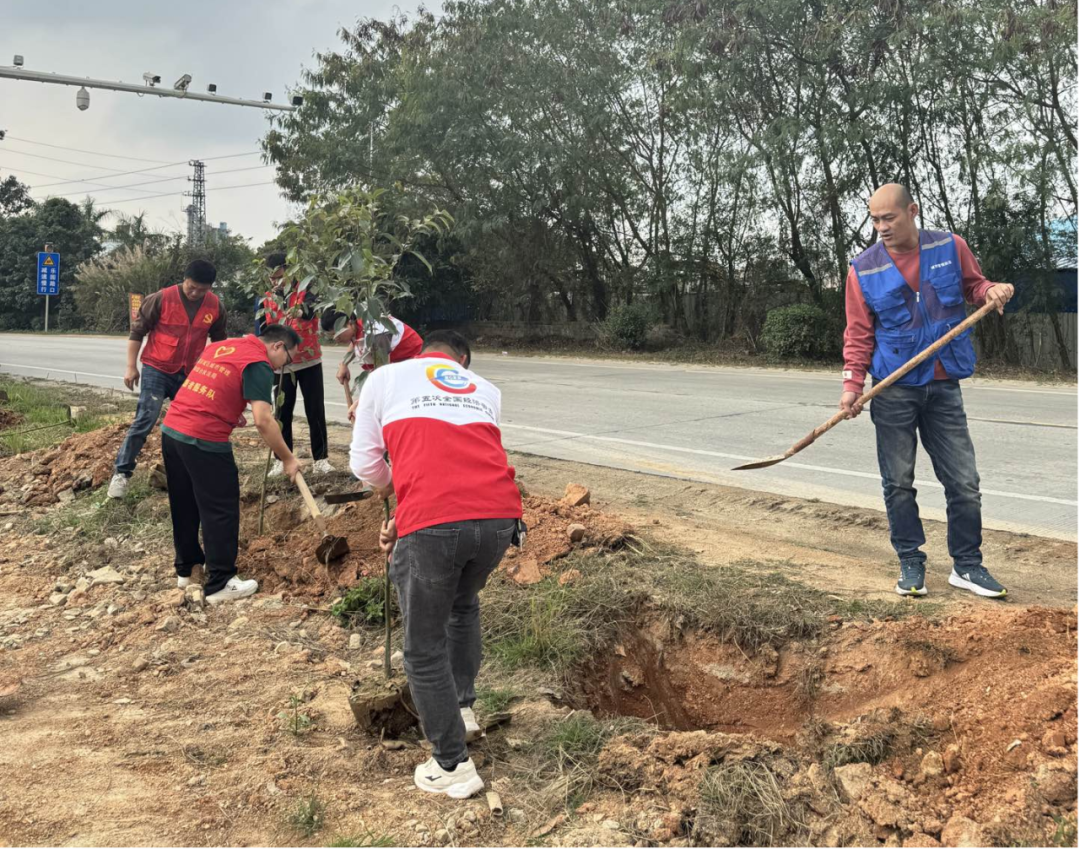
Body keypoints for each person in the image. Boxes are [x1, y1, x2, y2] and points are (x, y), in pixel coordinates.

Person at [350, 330, 523, 799]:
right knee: (462, 606)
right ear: (461, 361)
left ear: (426, 354)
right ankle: (462, 711)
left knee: (423, 647)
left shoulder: (384, 377)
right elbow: (469, 460)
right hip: (501, 518)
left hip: (435, 523)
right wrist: (411, 514)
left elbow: (366, 466)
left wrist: (405, 501)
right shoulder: (483, 388)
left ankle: (452, 765)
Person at [841, 184, 1015, 599]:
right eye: (875, 220)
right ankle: (911, 561)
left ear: (912, 211)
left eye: (890, 218)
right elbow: (859, 333)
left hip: (943, 382)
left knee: (964, 481)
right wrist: (852, 385)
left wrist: (990, 290)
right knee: (898, 481)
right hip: (894, 387)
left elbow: (976, 286)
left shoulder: (950, 246)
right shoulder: (863, 268)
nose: (881, 227)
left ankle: (968, 566)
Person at [160, 325, 302, 604]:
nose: (285, 365)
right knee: (221, 508)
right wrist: (288, 458)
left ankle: (188, 570)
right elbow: (263, 420)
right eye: (289, 359)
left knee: (184, 502)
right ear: (277, 347)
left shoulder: (221, 346)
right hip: (204, 439)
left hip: (173, 430)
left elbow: (209, 386)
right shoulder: (258, 362)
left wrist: (229, 409)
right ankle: (221, 582)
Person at [109, 260, 226, 499]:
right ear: (184, 279)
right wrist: (131, 367)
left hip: (191, 372)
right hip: (157, 368)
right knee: (145, 419)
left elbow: (219, 342)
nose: (195, 293)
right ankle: (121, 475)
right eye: (191, 287)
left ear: (210, 288)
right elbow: (137, 333)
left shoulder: (215, 306)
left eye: (201, 290)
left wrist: (218, 374)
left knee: (192, 424)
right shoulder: (161, 298)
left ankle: (189, 475)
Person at [257, 252, 333, 476]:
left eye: (279, 277)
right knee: (282, 412)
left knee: (315, 410)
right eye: (271, 279)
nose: (275, 282)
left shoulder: (305, 290)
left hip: (308, 360)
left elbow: (312, 310)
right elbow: (262, 331)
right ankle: (281, 459)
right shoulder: (267, 299)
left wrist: (299, 311)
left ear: (288, 272)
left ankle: (321, 459)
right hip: (281, 365)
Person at [320, 309, 424, 420]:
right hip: (393, 364)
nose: (336, 340)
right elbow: (355, 341)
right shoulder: (355, 322)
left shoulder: (377, 333)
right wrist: (344, 364)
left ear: (349, 323)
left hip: (412, 362)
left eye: (338, 335)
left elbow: (382, 375)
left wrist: (362, 403)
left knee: (397, 406)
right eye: (332, 337)